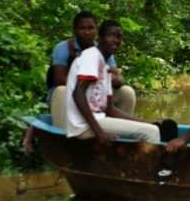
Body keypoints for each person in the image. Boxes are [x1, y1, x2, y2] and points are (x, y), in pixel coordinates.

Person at [22, 11, 136, 153]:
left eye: (91, 28)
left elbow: (118, 80)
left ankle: (119, 134)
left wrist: (109, 77)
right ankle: (68, 134)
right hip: (68, 97)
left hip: (93, 96)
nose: (87, 32)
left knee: (127, 92)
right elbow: (59, 79)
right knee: (62, 90)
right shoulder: (63, 48)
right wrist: (91, 78)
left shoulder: (104, 48)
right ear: (75, 30)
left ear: (97, 31)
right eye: (82, 28)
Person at [66, 20, 160, 144]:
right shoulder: (91, 56)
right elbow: (78, 93)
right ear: (100, 37)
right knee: (151, 132)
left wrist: (144, 122)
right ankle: (153, 164)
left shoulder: (105, 68)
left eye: (119, 37)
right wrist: (99, 133)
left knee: (151, 127)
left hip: (98, 119)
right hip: (82, 125)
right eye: (112, 35)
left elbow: (110, 110)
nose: (116, 40)